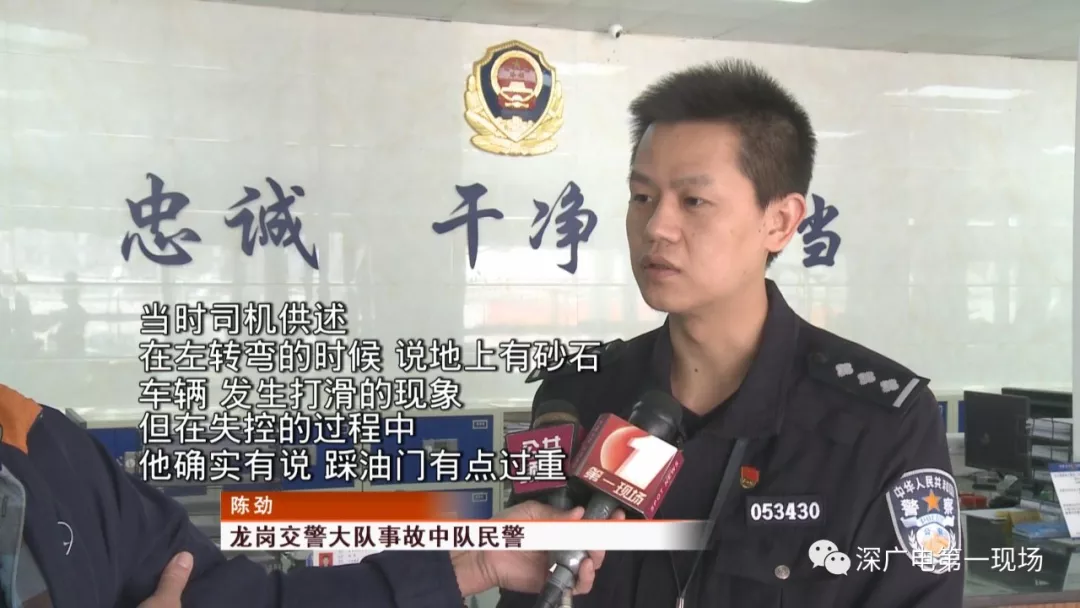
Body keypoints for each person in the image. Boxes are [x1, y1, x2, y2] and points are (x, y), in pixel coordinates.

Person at [498, 59, 963, 608]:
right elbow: (527, 591)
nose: (656, 227)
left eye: (694, 201)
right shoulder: (574, 395)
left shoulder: (881, 425)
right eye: (642, 197)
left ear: (780, 221)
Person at [0, 383, 610, 607]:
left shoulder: (38, 442)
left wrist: (473, 563)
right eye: (640, 196)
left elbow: (245, 601)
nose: (653, 226)